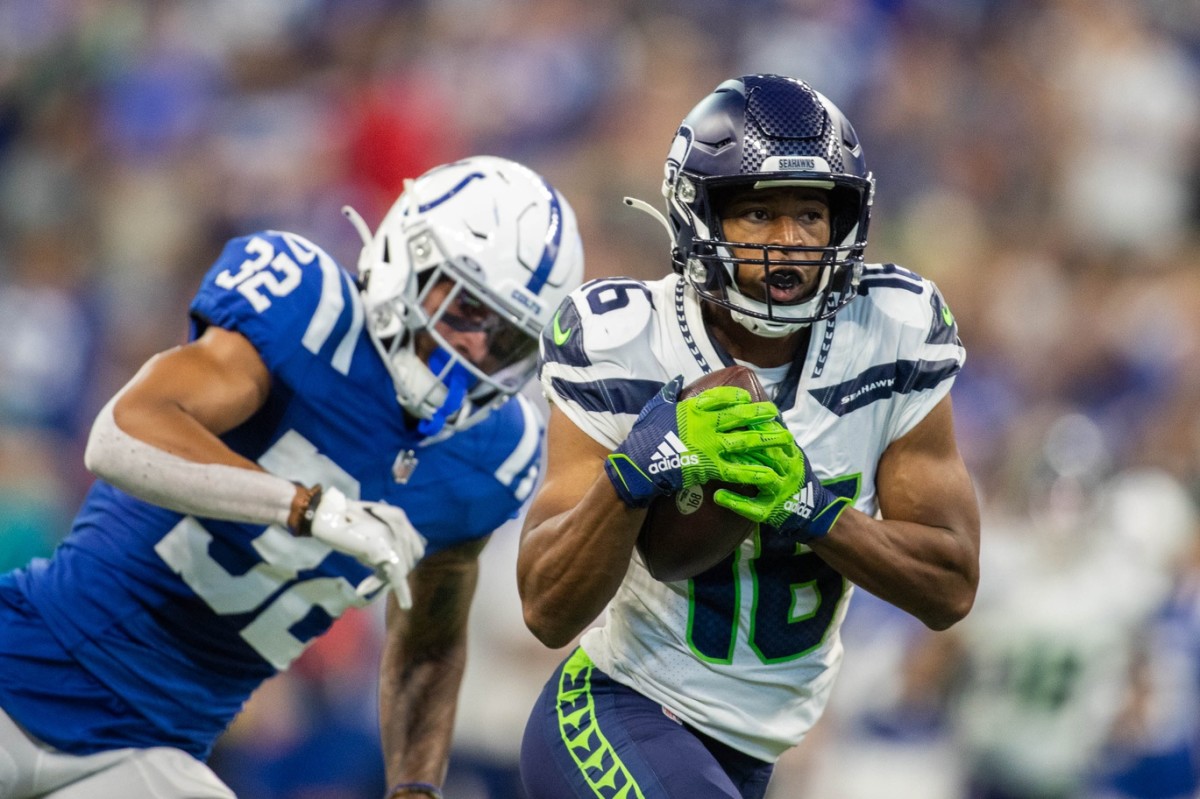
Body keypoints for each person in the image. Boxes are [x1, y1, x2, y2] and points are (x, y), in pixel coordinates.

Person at [0, 154, 584, 799]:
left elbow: (428, 646)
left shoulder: (492, 457)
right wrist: (308, 507)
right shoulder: (306, 312)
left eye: (504, 338)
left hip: (150, 754)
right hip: (23, 666)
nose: (475, 347)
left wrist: (415, 788)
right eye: (466, 307)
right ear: (404, 256)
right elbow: (121, 434)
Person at [515, 73, 981, 798]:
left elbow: (950, 584)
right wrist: (634, 471)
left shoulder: (892, 330)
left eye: (809, 214)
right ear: (699, 215)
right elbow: (546, 605)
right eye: (758, 213)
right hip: (619, 708)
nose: (788, 244)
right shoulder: (623, 340)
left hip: (750, 752)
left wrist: (814, 511)